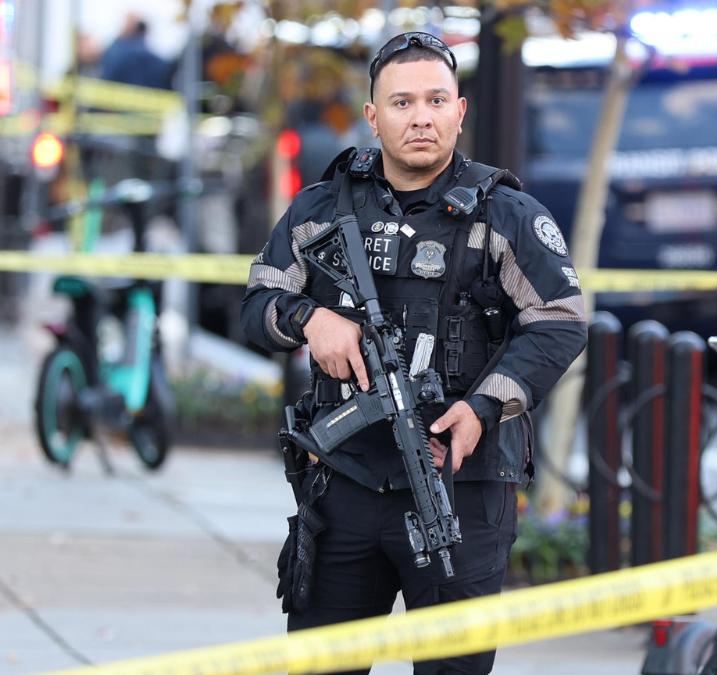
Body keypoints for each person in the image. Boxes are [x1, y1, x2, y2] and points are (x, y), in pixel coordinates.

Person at [240, 32, 588, 674]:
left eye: (435, 100)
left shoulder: (505, 217)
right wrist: (309, 318)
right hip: (343, 485)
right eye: (401, 103)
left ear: (460, 110)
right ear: (373, 117)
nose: (420, 117)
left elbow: (560, 323)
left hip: (460, 486)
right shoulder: (321, 208)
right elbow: (256, 306)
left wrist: (483, 407)